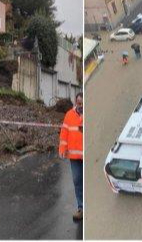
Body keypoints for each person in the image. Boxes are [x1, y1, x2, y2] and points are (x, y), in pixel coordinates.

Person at [59, 92, 83, 221]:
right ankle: (81, 208)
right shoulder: (69, 115)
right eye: (79, 103)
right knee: (77, 181)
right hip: (74, 157)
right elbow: (64, 133)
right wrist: (62, 148)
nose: (80, 106)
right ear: (75, 102)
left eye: (83, 104)